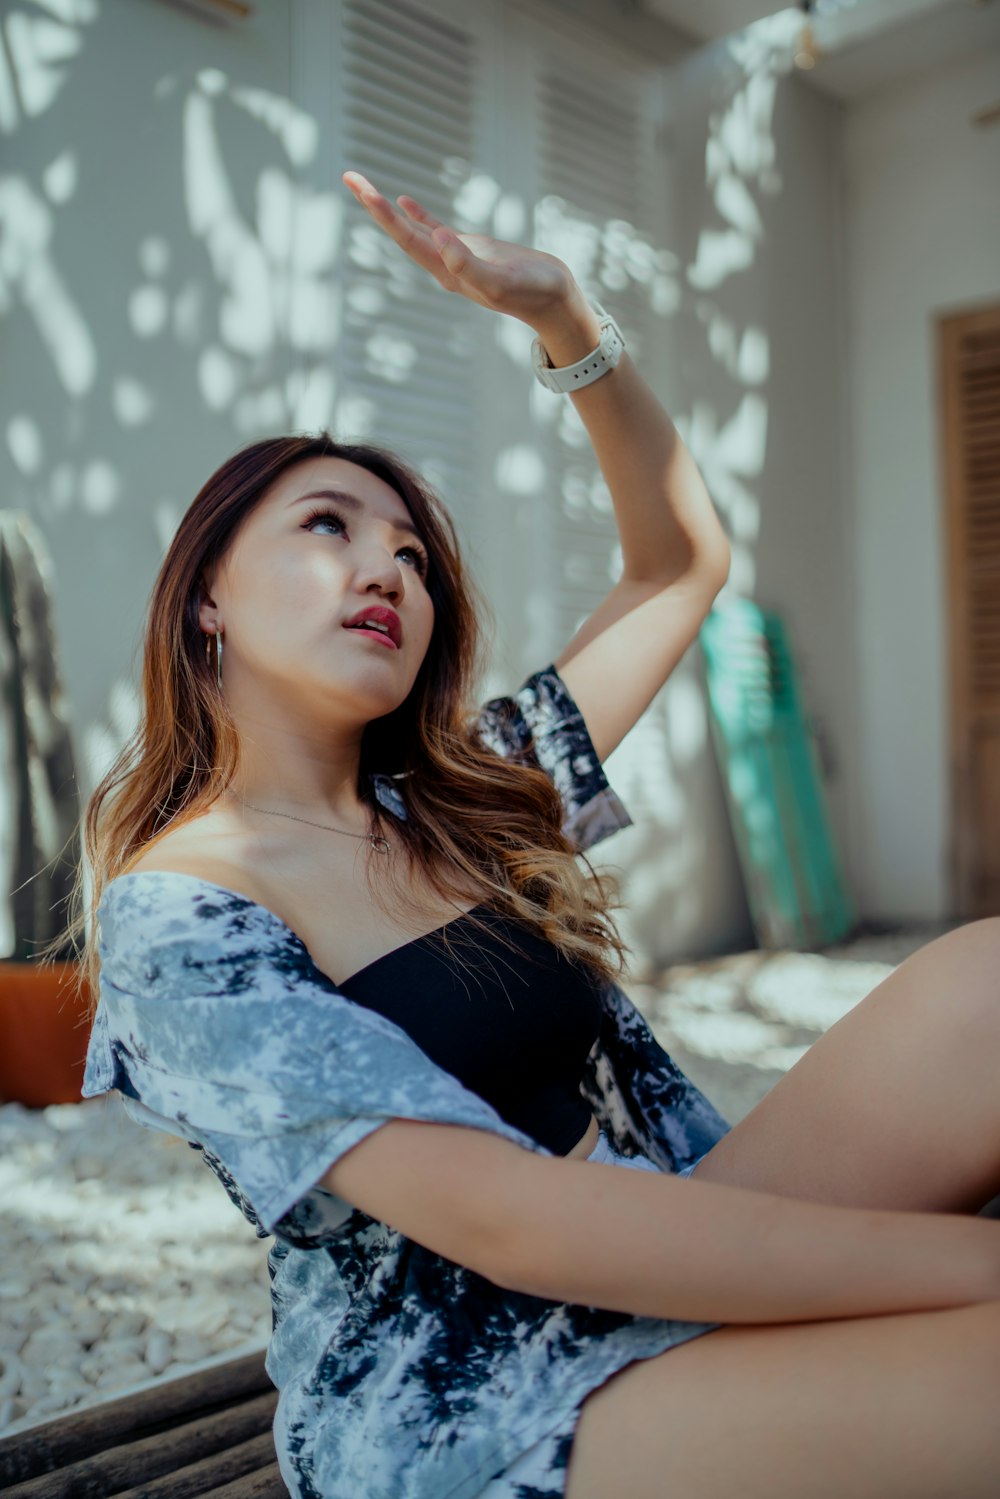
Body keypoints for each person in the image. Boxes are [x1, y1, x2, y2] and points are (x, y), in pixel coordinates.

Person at [69, 171, 999, 1499]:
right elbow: (514, 1223)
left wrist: (565, 315)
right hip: (461, 1393)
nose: (388, 569)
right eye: (328, 527)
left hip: (658, 1236)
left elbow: (678, 566)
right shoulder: (184, 916)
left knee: (986, 982)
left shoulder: (467, 791)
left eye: (413, 556)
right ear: (205, 594)